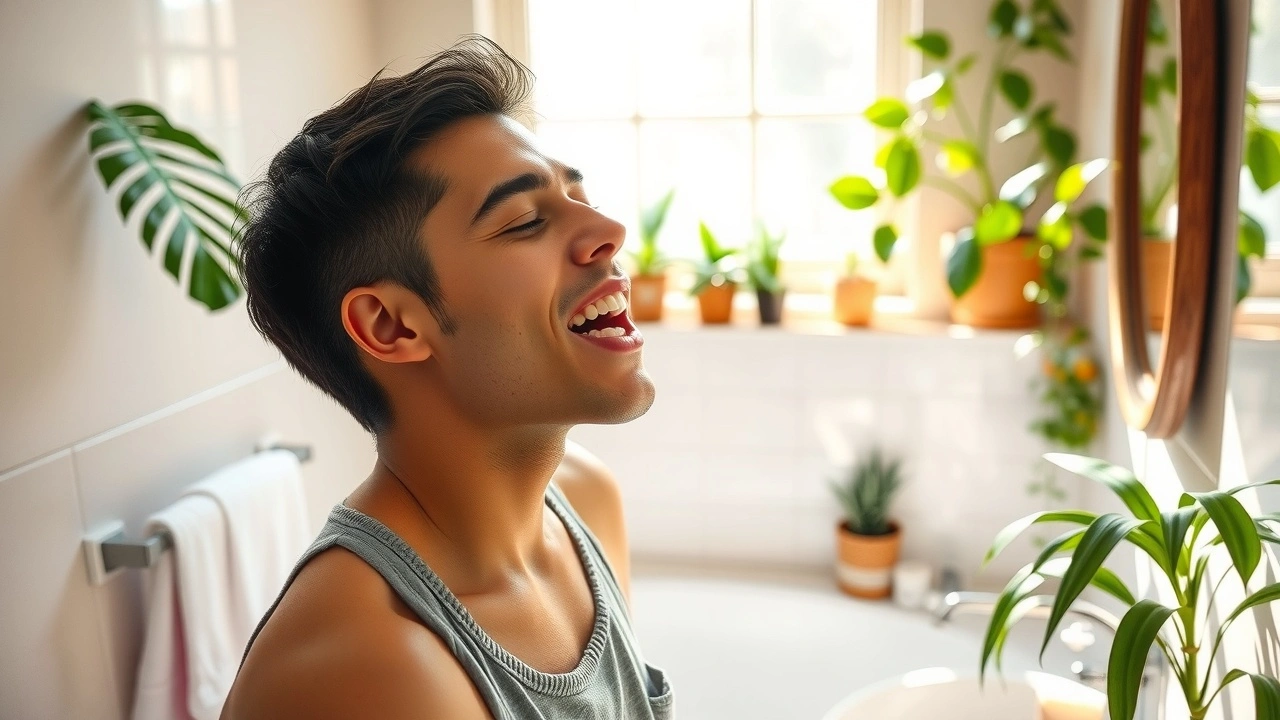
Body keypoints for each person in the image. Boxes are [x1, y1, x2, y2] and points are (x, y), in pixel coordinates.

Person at [221, 36, 670, 719]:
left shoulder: (584, 498)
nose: (607, 229)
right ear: (391, 326)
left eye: (578, 195)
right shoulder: (373, 667)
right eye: (525, 221)